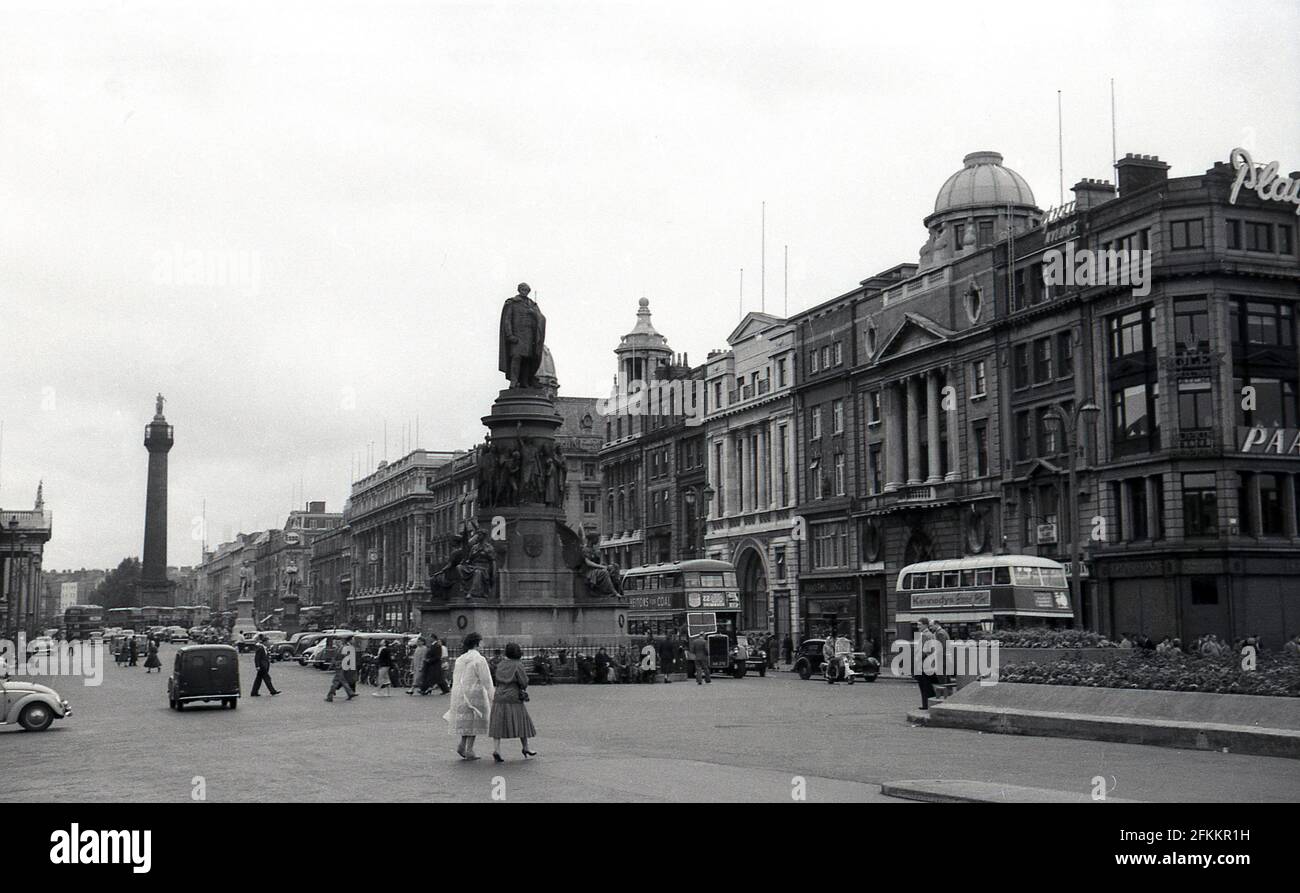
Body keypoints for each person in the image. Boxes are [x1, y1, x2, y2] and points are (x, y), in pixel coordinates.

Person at [445, 632, 494, 761]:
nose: (483, 644)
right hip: (475, 692)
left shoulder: (460, 659)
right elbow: (486, 680)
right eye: (481, 642)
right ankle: (469, 749)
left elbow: (456, 677)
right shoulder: (479, 659)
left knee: (466, 721)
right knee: (474, 720)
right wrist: (492, 695)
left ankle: (462, 744)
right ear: (477, 643)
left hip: (461, 693)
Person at [488, 642, 538, 762]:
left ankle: (497, 749)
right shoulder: (518, 665)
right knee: (521, 721)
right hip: (513, 696)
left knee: (497, 723)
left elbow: (496, 679)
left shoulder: (500, 664)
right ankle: (525, 747)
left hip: (499, 695)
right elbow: (524, 682)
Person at [325, 634, 358, 701]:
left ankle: (330, 696)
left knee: (336, 681)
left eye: (338, 642)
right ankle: (350, 693)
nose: (336, 643)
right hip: (341, 666)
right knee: (342, 681)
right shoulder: (342, 648)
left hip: (340, 666)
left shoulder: (343, 648)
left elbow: (343, 658)